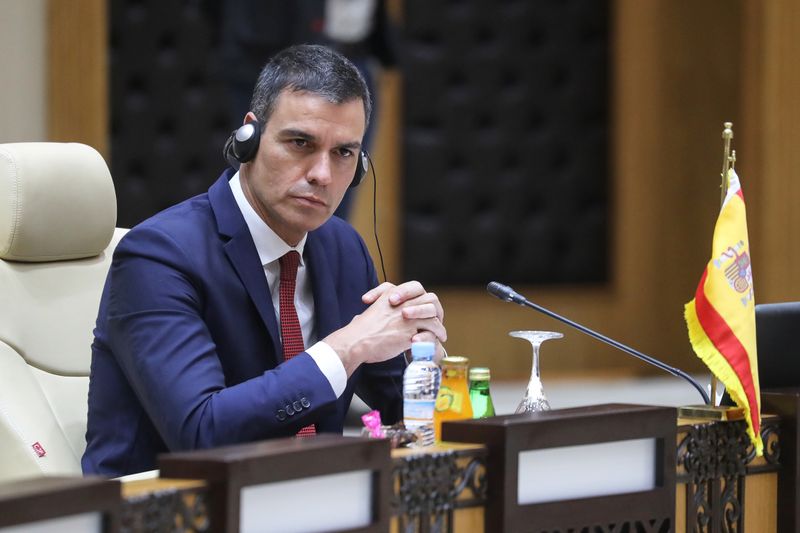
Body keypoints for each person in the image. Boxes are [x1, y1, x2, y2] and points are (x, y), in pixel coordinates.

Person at [82, 44, 445, 477]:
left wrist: (425, 360)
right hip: (168, 512)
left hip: (311, 506)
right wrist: (347, 347)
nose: (322, 175)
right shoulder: (158, 256)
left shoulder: (343, 249)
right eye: (300, 143)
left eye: (344, 153)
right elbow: (202, 433)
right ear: (248, 138)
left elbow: (403, 410)